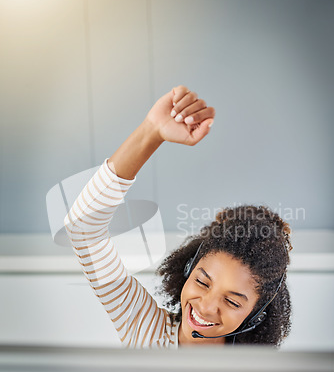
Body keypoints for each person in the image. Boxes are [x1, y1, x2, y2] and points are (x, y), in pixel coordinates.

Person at [64, 85, 292, 348]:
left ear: (256, 314)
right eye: (202, 282)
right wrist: (151, 131)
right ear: (187, 269)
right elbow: (83, 228)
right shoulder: (144, 330)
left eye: (232, 301)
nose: (206, 307)